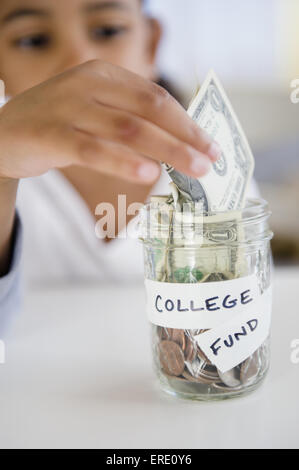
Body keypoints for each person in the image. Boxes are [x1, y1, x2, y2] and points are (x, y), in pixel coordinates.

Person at [0, 0, 254, 331]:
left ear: (151, 44)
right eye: (34, 40)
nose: (80, 64)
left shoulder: (213, 165)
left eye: (107, 30)